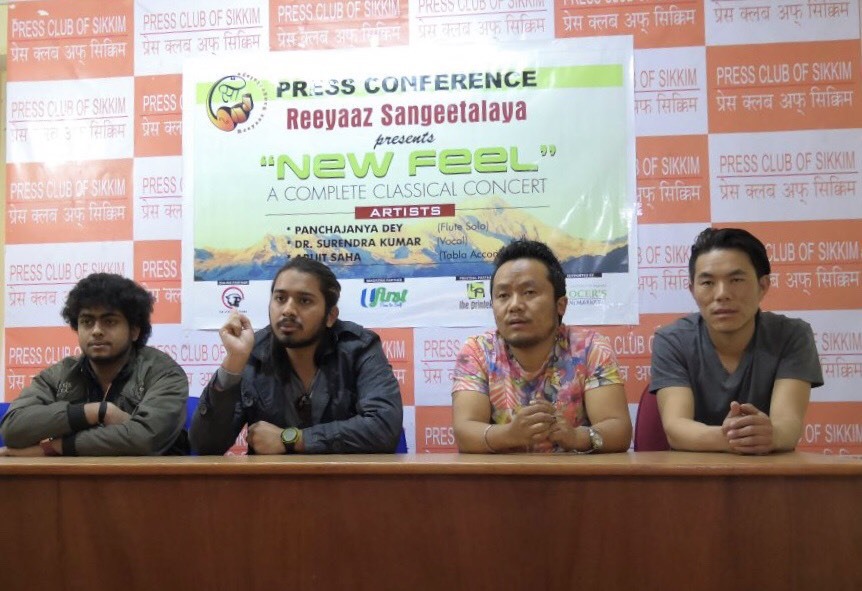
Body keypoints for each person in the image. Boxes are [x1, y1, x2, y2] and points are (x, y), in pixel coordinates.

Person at [190, 257, 403, 455]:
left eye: (304, 301)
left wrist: (291, 439)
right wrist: (233, 363)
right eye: (280, 298)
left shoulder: (359, 348)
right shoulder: (252, 353)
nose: (288, 310)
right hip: (270, 481)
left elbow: (383, 429)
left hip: (343, 480)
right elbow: (205, 446)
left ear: (330, 316)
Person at [650, 227, 823, 454]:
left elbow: (788, 426)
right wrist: (742, 437)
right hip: (694, 470)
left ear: (763, 286)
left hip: (767, 469)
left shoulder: (792, 335)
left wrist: (772, 435)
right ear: (692, 290)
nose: (722, 294)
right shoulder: (672, 340)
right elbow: (676, 428)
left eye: (736, 280)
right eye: (708, 283)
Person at [451, 239, 632, 453]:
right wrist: (509, 435)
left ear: (560, 305)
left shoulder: (590, 348)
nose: (514, 305)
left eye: (529, 292)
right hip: (503, 474)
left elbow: (618, 430)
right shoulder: (478, 351)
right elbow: (465, 432)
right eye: (503, 295)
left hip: (574, 473)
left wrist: (576, 437)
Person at [0, 273, 189, 456]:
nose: (96, 331)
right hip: (74, 477)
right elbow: (12, 429)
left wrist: (54, 447)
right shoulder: (59, 375)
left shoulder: (164, 373)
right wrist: (97, 411)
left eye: (110, 321)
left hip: (152, 477)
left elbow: (145, 439)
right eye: (87, 322)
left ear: (134, 331)